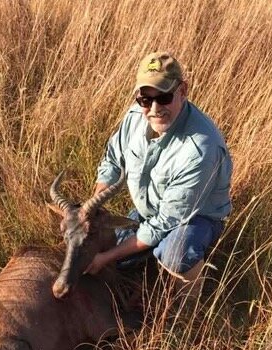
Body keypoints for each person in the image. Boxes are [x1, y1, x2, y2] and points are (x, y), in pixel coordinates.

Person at [85, 51, 232, 304]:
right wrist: (93, 206)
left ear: (183, 90)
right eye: (144, 99)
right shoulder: (134, 118)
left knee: (175, 253)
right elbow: (112, 161)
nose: (154, 109)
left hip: (194, 217)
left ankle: (187, 311)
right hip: (149, 211)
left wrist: (105, 259)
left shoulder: (199, 149)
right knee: (108, 248)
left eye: (164, 97)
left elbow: (166, 221)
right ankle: (145, 266)